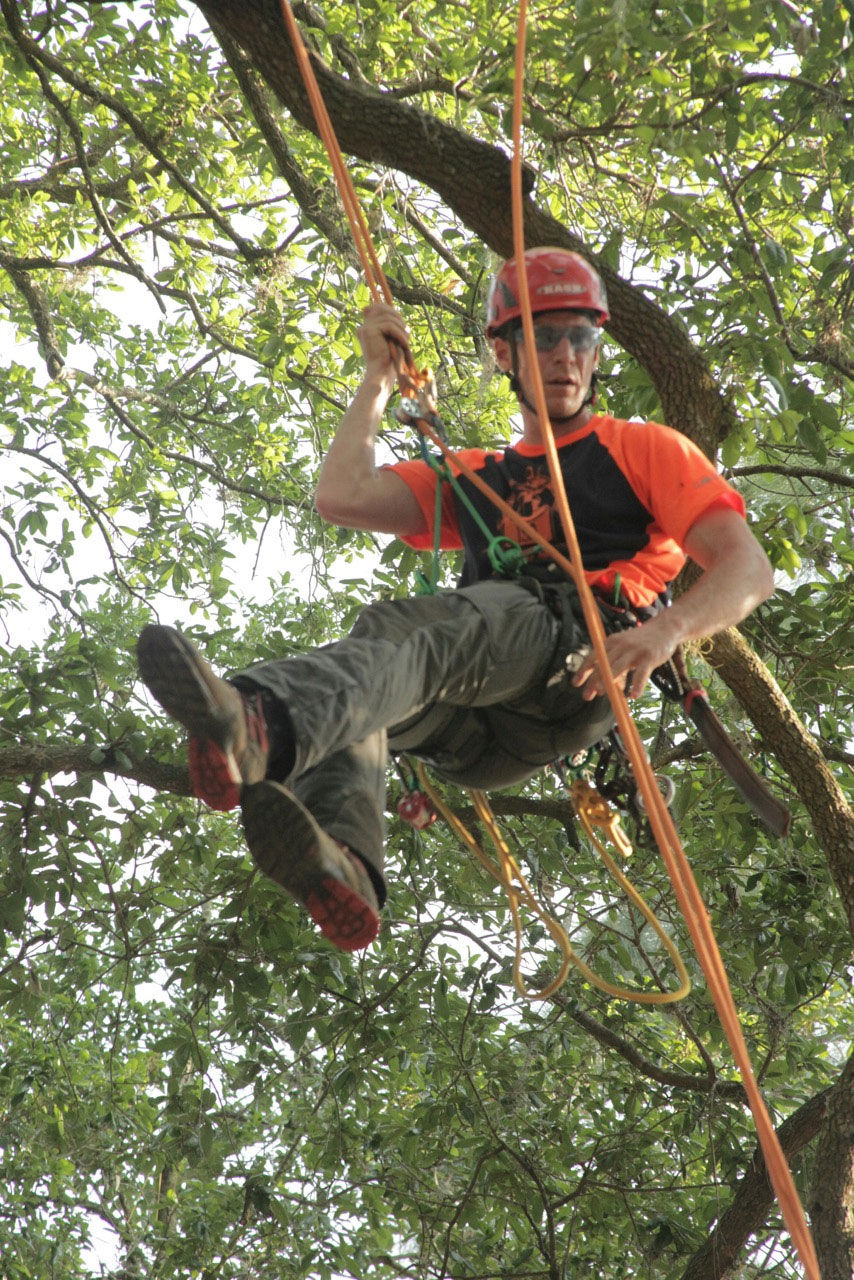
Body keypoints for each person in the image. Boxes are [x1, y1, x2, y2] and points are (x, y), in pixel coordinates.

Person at [137, 247, 774, 954]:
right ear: (505, 354)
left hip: (576, 660)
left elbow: (748, 568)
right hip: (481, 738)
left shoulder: (644, 448)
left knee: (421, 632)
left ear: (596, 353)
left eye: (580, 338)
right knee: (370, 685)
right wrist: (377, 381)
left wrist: (665, 634)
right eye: (542, 336)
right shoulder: (478, 475)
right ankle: (346, 862)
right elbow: (341, 496)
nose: (565, 355)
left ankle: (261, 723)